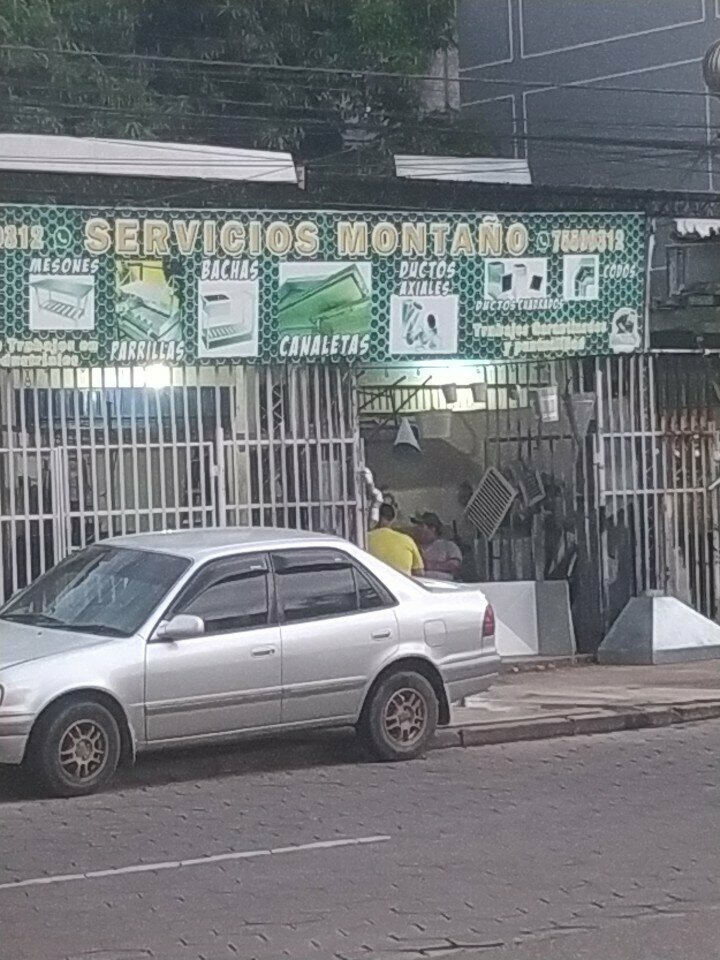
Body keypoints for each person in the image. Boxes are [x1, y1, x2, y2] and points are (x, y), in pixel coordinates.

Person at [367, 503, 424, 577]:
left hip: (374, 586)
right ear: (393, 519)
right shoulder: (408, 541)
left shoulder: (362, 540)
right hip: (402, 586)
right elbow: (419, 573)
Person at [412, 511, 462, 581]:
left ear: (432, 528)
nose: (417, 529)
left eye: (421, 526)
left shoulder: (448, 546)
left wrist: (425, 565)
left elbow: (454, 565)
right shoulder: (410, 545)